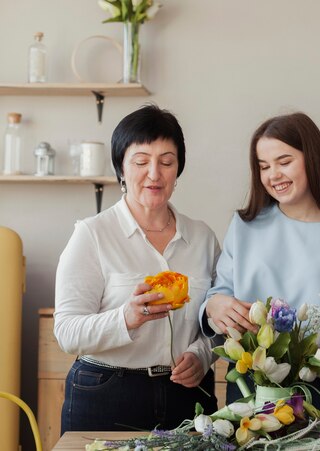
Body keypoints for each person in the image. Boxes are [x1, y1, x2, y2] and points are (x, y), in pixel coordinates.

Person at [199, 112, 320, 411]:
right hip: (250, 391)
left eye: (284, 162)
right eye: (264, 166)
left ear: (311, 159)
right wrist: (214, 304)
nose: (273, 174)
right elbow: (217, 296)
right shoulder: (245, 226)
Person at [55, 104, 220, 433]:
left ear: (178, 169)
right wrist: (125, 318)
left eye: (167, 162)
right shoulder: (92, 234)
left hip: (188, 396)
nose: (155, 174)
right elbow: (67, 332)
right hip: (106, 392)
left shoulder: (203, 238)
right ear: (121, 169)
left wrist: (202, 356)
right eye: (141, 161)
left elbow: (217, 323)